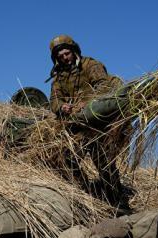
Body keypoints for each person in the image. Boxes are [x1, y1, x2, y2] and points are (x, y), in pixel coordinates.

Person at [48, 35, 126, 205]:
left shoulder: (91, 65)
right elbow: (54, 100)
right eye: (60, 57)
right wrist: (62, 107)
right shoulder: (58, 79)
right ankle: (89, 195)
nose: (64, 58)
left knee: (104, 164)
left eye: (66, 54)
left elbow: (104, 86)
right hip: (76, 127)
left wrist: (88, 101)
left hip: (97, 124)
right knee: (67, 160)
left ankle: (118, 203)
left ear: (74, 51)